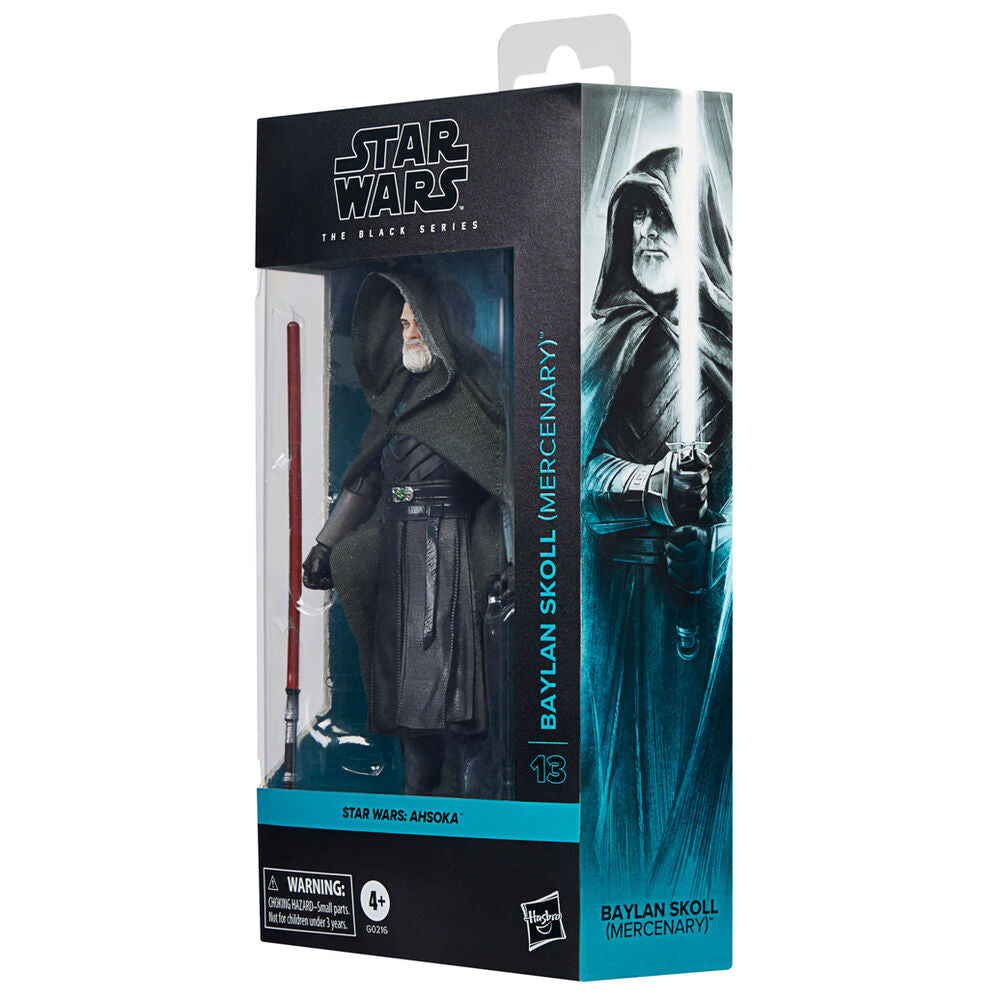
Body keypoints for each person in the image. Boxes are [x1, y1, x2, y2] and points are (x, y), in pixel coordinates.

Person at [580, 147, 733, 894]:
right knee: (617, 816)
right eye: (635, 214)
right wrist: (652, 488)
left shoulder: (735, 355)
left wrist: (713, 547)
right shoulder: (612, 343)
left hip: (699, 625)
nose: (645, 231)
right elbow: (576, 482)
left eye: (663, 214)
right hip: (614, 616)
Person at [302, 270, 507, 797]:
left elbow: (509, 485)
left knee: (462, 705)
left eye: (416, 322)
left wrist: (512, 559)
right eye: (402, 324)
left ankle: (468, 806)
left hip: (455, 556)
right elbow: (367, 479)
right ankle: (416, 798)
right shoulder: (395, 401)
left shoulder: (475, 396)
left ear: (440, 323)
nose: (407, 332)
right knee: (405, 703)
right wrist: (326, 544)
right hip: (400, 556)